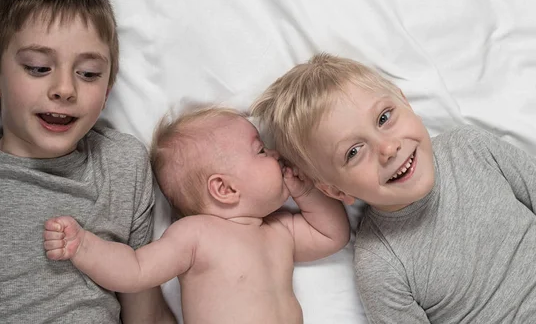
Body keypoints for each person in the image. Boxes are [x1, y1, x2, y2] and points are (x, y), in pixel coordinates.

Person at [0, 0, 175, 324]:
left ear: (107, 90)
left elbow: (146, 312)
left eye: (89, 74)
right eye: (38, 67)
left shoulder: (122, 166)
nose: (64, 89)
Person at [251, 53, 536, 323]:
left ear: (405, 103)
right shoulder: (381, 264)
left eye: (384, 118)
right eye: (353, 152)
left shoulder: (471, 148)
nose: (387, 148)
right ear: (337, 191)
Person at [43, 106, 350, 324]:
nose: (275, 154)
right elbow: (135, 270)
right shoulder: (195, 234)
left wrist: (306, 191)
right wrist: (84, 247)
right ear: (225, 189)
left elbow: (333, 235)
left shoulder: (280, 230)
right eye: (260, 150)